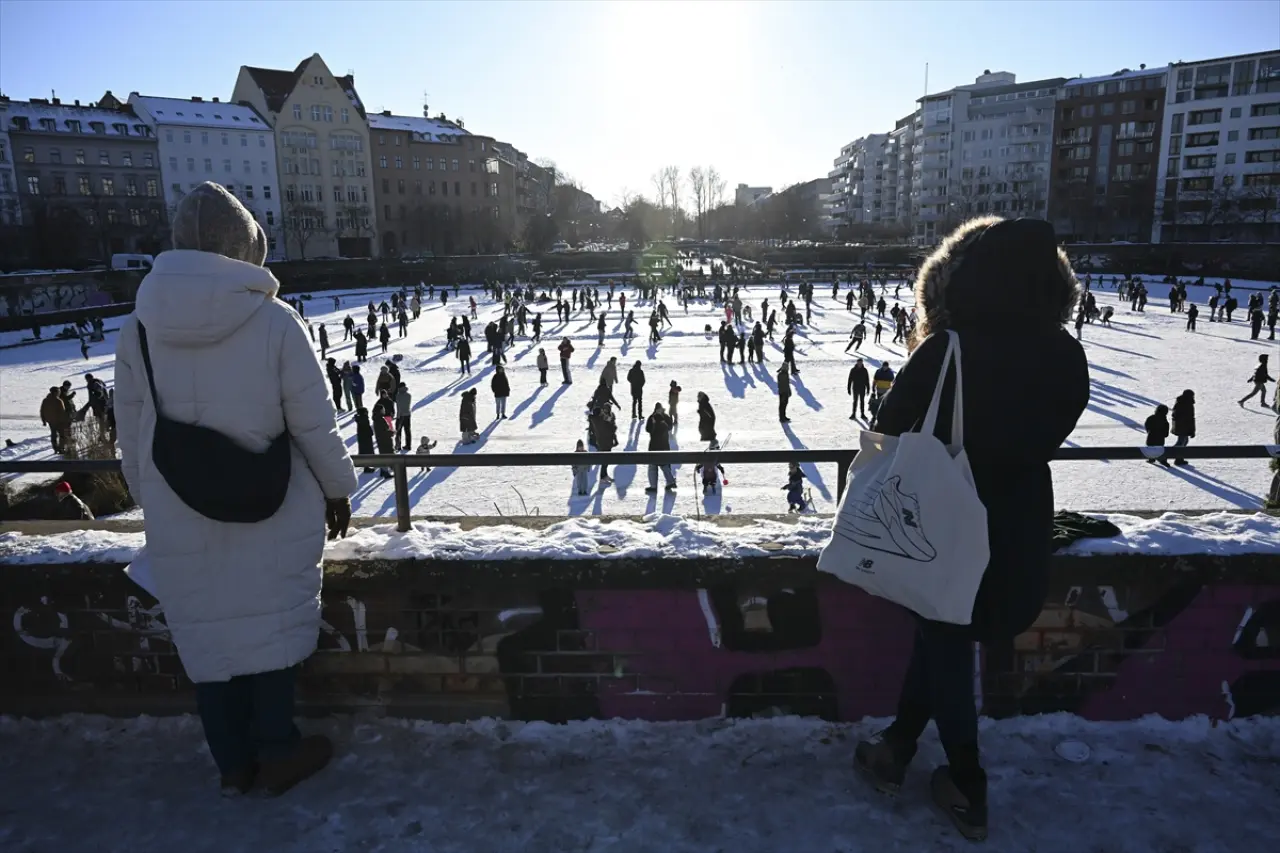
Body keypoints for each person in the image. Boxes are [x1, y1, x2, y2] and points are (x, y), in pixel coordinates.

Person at [113, 182, 356, 797]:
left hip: (176, 504)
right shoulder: (276, 321)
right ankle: (278, 750)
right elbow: (312, 420)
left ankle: (232, 764)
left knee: (208, 634)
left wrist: (156, 503)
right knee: (268, 626)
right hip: (270, 502)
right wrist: (337, 487)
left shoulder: (138, 329)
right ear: (247, 246)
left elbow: (131, 430)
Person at [855, 216, 1089, 842]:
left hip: (941, 525)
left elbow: (890, 432)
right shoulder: (1067, 353)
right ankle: (898, 744)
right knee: (944, 639)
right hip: (1019, 524)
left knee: (945, 638)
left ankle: (965, 780)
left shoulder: (948, 349)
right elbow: (1045, 432)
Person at [644, 402, 677, 493]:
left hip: (654, 446)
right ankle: (670, 481)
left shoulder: (654, 418)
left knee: (653, 467)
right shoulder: (663, 419)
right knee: (664, 465)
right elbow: (670, 427)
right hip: (664, 446)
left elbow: (648, 429)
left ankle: (654, 486)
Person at [40, 386, 69, 453]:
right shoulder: (58, 401)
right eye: (58, 392)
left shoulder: (45, 400)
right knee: (62, 435)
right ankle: (61, 448)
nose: (59, 393)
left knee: (53, 434)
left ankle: (55, 448)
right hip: (59, 421)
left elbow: (42, 411)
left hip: (50, 421)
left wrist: (44, 420)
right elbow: (62, 412)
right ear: (55, 392)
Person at [1171, 389, 1195, 465]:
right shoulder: (1184, 403)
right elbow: (1189, 418)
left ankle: (1179, 458)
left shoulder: (1182, 402)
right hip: (1183, 426)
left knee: (1183, 442)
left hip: (1183, 426)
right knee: (1181, 442)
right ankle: (1168, 454)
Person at [394, 382, 412, 451]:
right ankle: (408, 445)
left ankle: (398, 446)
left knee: (398, 431)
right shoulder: (409, 395)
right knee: (407, 431)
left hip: (401, 416)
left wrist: (398, 417)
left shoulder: (398, 396)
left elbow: (399, 407)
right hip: (407, 415)